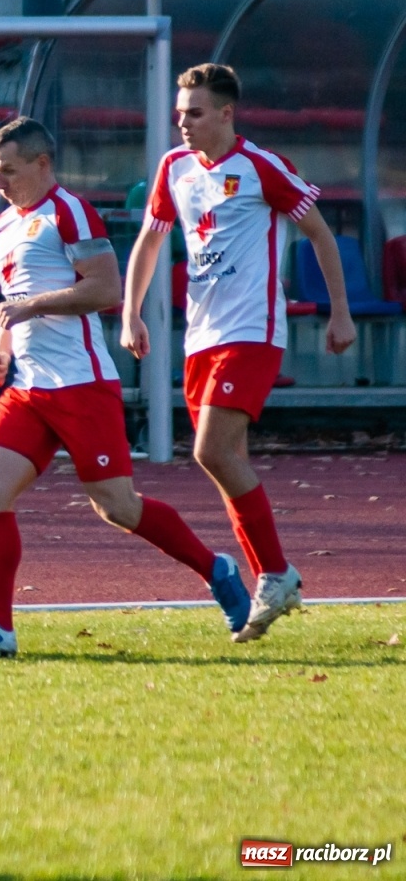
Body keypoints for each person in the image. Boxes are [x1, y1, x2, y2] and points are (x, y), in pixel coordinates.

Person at [0, 117, 253, 658]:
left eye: (8, 171)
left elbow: (103, 289)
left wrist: (27, 309)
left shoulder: (69, 211)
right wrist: (2, 348)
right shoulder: (3, 227)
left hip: (82, 384)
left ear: (42, 164)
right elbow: (16, 300)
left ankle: (215, 567)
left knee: (117, 507)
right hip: (29, 387)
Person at [122, 63, 356, 643]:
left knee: (211, 451)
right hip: (200, 336)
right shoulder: (174, 169)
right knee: (227, 466)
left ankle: (274, 572)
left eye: (195, 113)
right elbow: (150, 241)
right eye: (179, 114)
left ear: (227, 114)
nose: (184, 124)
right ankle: (272, 579)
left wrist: (341, 311)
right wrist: (130, 311)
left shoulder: (261, 167)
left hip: (252, 331)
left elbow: (322, 235)